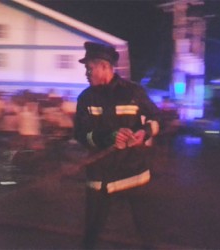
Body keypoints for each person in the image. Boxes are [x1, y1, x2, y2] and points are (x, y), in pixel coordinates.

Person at [74, 42, 160, 249]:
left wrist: (144, 132)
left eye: (89, 68)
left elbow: (157, 119)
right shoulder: (85, 98)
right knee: (91, 235)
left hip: (134, 173)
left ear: (104, 67)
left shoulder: (134, 92)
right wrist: (109, 137)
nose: (86, 73)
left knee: (147, 231)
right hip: (99, 177)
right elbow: (80, 134)